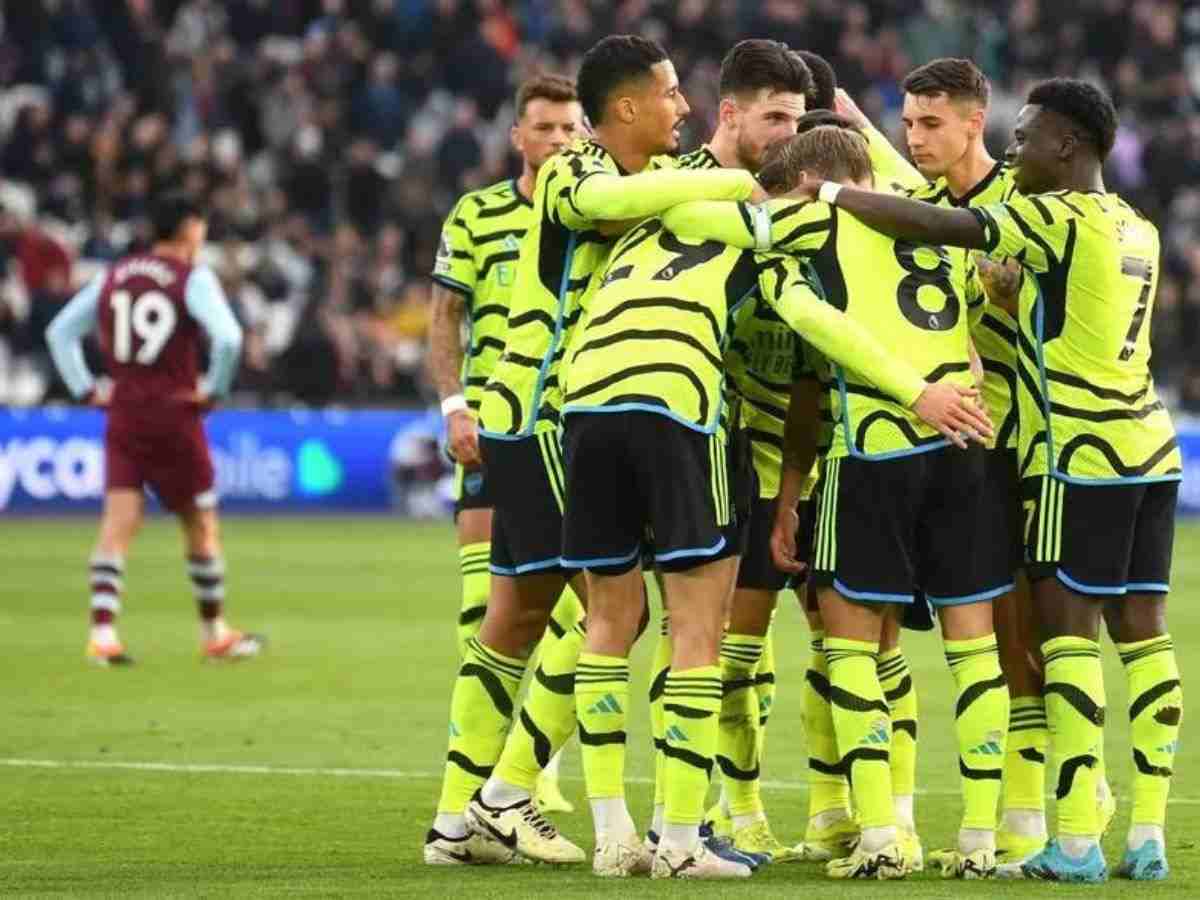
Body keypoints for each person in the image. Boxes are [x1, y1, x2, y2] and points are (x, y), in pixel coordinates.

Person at [782, 77, 1182, 884]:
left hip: (1072, 451)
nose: (1013, 146)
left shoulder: (1045, 213)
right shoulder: (1137, 225)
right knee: (1144, 636)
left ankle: (1069, 834)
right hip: (1151, 445)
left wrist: (823, 186)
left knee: (1055, 638)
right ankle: (1145, 833)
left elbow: (941, 221)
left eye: (1025, 135)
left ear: (1066, 145)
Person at [563, 128, 990, 877]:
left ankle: (637, 832)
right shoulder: (917, 215)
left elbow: (696, 226)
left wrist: (736, 193)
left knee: (632, 623)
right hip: (932, 440)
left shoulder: (756, 218)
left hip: (608, 403)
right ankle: (974, 837)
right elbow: (949, 297)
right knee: (934, 647)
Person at [430, 35, 767, 875]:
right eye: (669, 94)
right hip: (547, 410)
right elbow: (619, 208)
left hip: (543, 413)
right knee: (606, 614)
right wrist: (739, 183)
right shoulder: (578, 170)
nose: (681, 108)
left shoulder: (639, 176)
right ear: (626, 108)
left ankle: (455, 818)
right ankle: (507, 798)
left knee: (515, 619)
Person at [838, 59, 1118, 864]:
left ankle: (1038, 807)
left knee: (1019, 632)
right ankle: (886, 815)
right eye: (908, 124)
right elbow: (888, 178)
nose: (915, 139)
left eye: (932, 124)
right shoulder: (923, 202)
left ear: (976, 121)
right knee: (909, 630)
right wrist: (853, 125)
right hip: (944, 444)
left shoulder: (1028, 203)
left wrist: (1013, 296)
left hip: (1028, 441)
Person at [642, 38, 812, 866]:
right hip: (689, 433)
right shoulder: (668, 191)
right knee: (689, 633)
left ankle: (736, 811)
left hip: (789, 454)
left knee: (765, 649)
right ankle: (684, 813)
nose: (787, 131)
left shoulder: (803, 202)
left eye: (798, 117)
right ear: (731, 113)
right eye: (774, 115)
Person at [425, 73, 585, 835]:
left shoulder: (594, 207)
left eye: (569, 129)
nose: (559, 140)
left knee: (576, 609)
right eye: (545, 129)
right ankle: (487, 781)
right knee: (488, 612)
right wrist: (456, 404)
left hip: (571, 426)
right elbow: (443, 317)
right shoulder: (478, 214)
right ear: (518, 137)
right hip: (493, 427)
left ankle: (531, 769)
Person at [44, 191, 262, 666]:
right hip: (175, 414)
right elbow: (228, 337)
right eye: (200, 227)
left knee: (118, 523)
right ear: (188, 230)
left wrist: (85, 389)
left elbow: (59, 332)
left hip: (123, 413)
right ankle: (215, 633)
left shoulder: (111, 275)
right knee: (201, 525)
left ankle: (102, 635)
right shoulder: (191, 278)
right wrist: (215, 390)